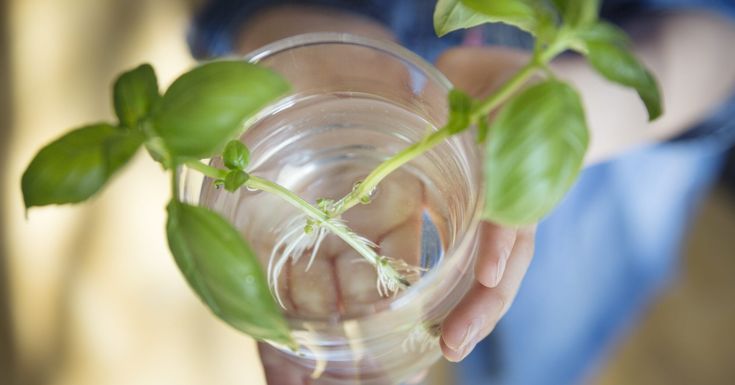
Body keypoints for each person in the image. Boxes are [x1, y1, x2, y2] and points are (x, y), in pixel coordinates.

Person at [189, 1, 735, 384]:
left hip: (602, 174)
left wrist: (560, 117)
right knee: (451, 325)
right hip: (370, 130)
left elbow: (720, 40)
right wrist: (300, 32)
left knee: (538, 352)